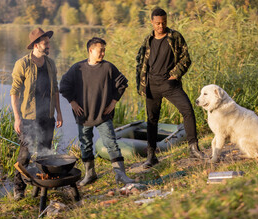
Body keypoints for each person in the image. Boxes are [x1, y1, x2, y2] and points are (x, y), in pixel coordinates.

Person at [60, 37, 134, 186]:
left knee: (111, 143)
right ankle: (90, 174)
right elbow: (64, 85)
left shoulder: (108, 68)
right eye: (101, 50)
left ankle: (121, 175)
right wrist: (72, 102)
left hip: (103, 115)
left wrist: (113, 102)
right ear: (91, 50)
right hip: (83, 115)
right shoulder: (77, 68)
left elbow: (122, 84)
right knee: (85, 145)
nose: (103, 53)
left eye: (104, 50)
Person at [136, 7, 204, 169]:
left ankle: (193, 148)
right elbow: (140, 63)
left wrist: (175, 74)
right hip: (152, 86)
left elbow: (186, 58)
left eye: (164, 22)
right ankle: (151, 156)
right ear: (152, 22)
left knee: (187, 110)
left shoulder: (175, 37)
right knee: (152, 120)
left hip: (170, 84)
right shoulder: (148, 41)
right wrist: (141, 85)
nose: (161, 26)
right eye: (158, 23)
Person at [10, 28, 63, 200]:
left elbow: (55, 90)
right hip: (28, 118)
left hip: (47, 116)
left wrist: (59, 114)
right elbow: (14, 92)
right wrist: (17, 118)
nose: (49, 45)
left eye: (48, 42)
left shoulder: (50, 64)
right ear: (36, 44)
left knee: (45, 154)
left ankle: (42, 186)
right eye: (46, 43)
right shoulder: (22, 64)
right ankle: (19, 188)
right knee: (25, 155)